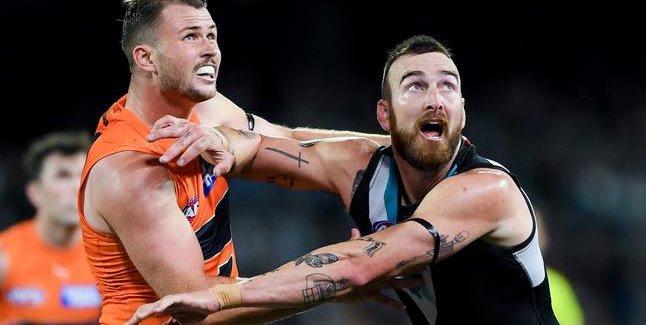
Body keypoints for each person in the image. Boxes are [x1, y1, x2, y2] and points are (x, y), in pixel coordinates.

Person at [127, 35, 559, 324]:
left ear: (463, 112)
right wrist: (220, 138)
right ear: (384, 114)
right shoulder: (362, 167)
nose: (434, 99)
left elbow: (358, 265)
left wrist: (219, 296)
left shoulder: (487, 190)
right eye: (414, 86)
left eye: (448, 87)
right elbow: (270, 145)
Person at [78, 0, 389, 325]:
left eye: (212, 35)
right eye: (191, 37)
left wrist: (397, 146)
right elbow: (200, 307)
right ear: (146, 58)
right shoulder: (131, 171)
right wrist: (335, 279)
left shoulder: (205, 110)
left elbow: (287, 140)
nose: (211, 49)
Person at [0, 131, 101, 324]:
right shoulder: (4, 255)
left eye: (82, 175)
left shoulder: (112, 258)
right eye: (62, 176)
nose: (76, 186)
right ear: (34, 193)